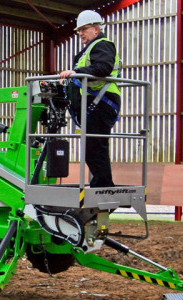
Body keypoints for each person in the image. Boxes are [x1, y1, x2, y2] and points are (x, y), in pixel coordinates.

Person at [59, 10, 121, 188]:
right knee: (93, 147)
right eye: (78, 30)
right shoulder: (89, 50)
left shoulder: (103, 45)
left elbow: (103, 67)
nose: (80, 33)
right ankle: (102, 186)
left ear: (96, 29)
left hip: (101, 103)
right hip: (94, 104)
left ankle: (103, 188)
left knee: (95, 147)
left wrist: (76, 73)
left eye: (84, 29)